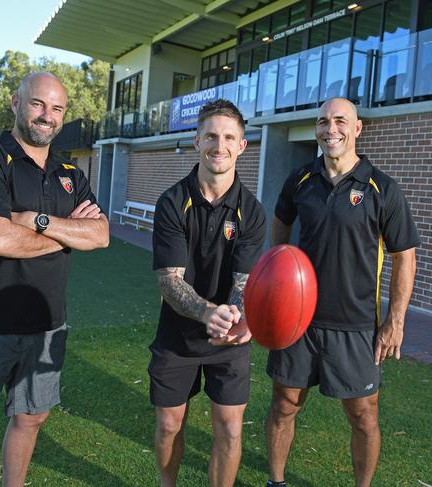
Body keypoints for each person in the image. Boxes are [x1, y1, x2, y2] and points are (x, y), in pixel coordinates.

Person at [0, 72, 109, 487]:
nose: (47, 116)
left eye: (57, 108)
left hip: (47, 324)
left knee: (30, 419)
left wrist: (36, 221)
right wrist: (69, 235)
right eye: (38, 104)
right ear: (16, 103)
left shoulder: (70, 170)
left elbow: (101, 235)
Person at [264, 98, 419, 487]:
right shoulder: (299, 179)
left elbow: (405, 258)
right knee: (284, 405)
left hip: (356, 324)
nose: (330, 129)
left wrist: (395, 321)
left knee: (363, 415)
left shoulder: (382, 188)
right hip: (299, 319)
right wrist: (277, 276)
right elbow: (280, 223)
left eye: (339, 121)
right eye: (322, 122)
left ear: (357, 128)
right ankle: (276, 482)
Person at [149, 99, 266, 487]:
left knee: (230, 429)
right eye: (212, 136)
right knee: (168, 425)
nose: (220, 145)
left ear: (242, 146)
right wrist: (206, 313)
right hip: (179, 333)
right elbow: (169, 279)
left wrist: (233, 316)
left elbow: (244, 282)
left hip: (229, 336)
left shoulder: (252, 210)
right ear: (197, 140)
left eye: (229, 137)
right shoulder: (172, 202)